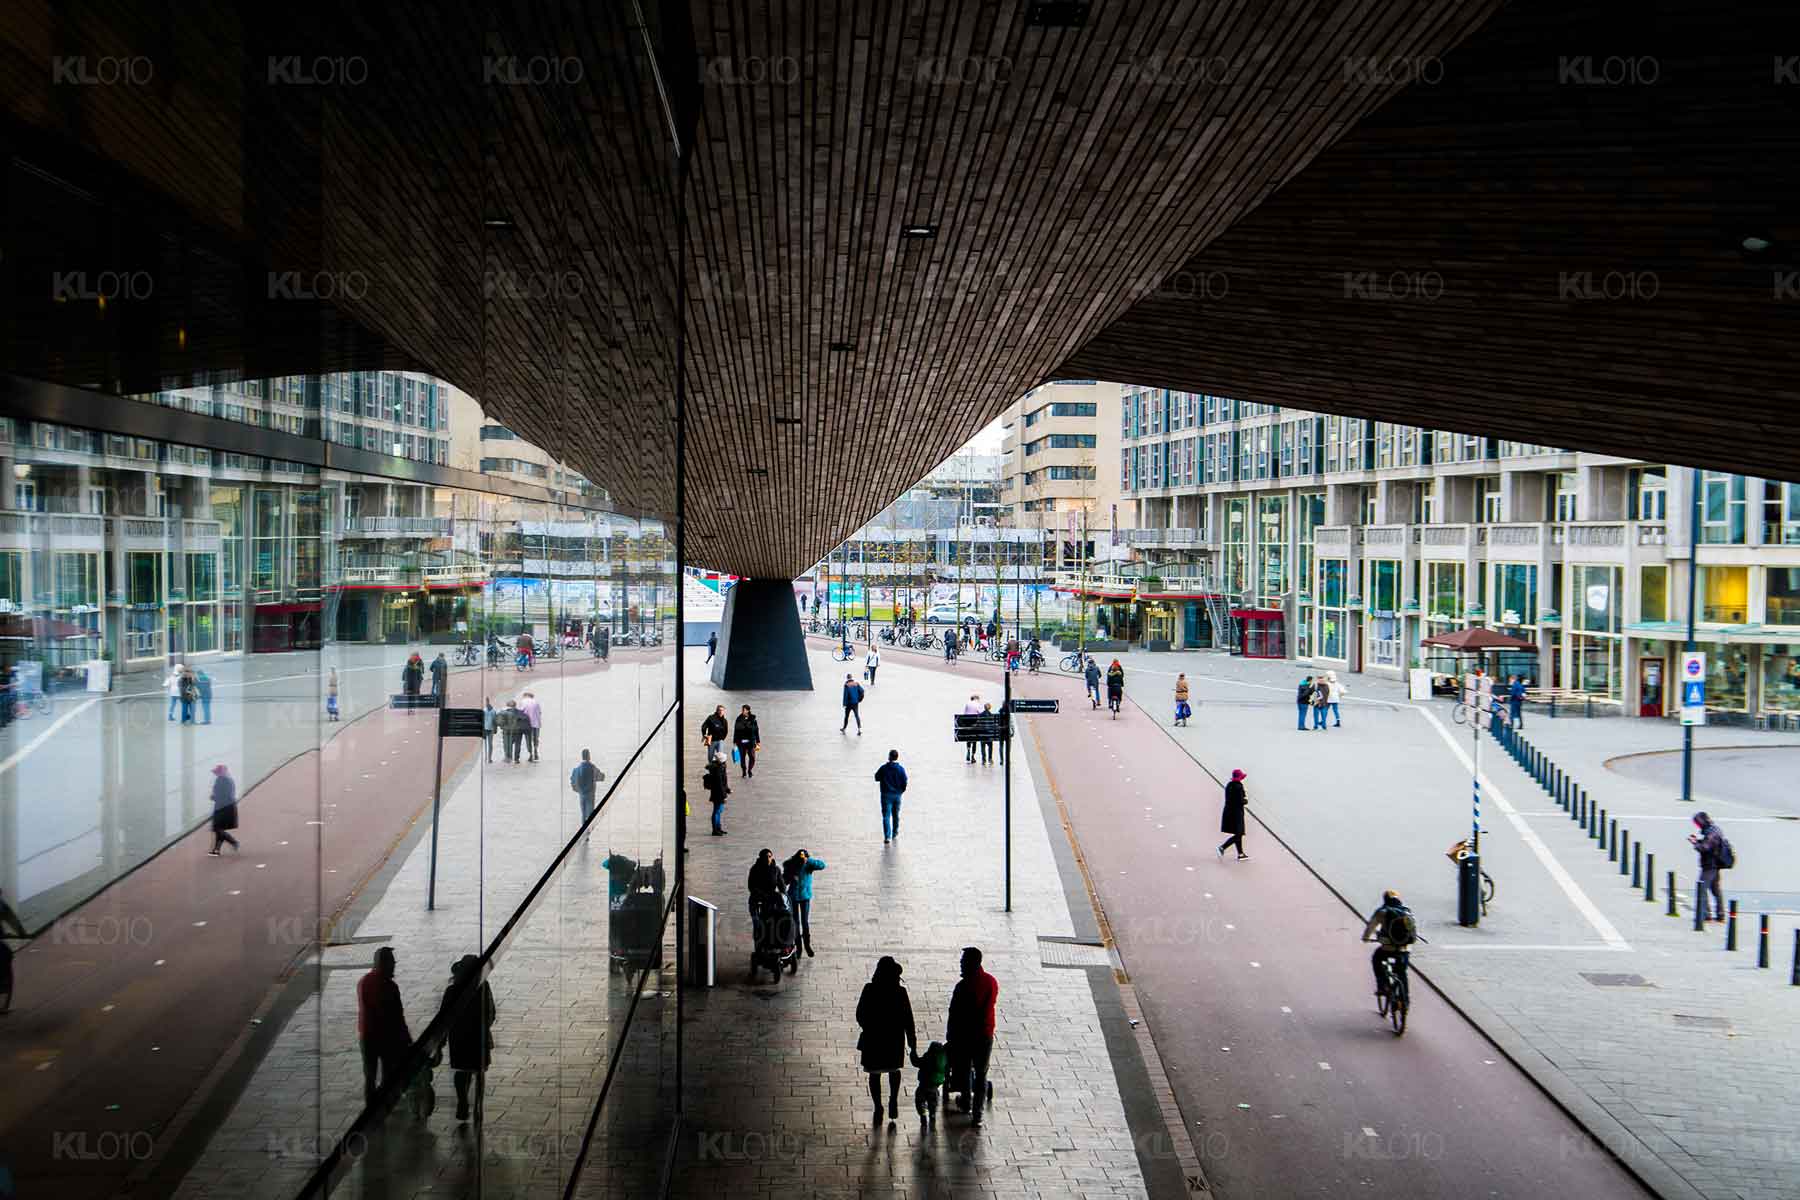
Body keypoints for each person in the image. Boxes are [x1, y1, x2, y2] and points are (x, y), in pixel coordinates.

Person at [855, 956, 918, 1126]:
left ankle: (878, 1107)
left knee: (874, 1074)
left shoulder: (869, 989)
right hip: (894, 1040)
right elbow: (908, 1020)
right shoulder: (900, 992)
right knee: (893, 1070)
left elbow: (860, 1014)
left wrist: (870, 1026)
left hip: (873, 1040)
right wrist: (912, 1044)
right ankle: (893, 1101)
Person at [944, 946, 999, 1127]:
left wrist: (951, 1037)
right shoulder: (991, 982)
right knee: (981, 1074)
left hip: (965, 1036)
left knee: (965, 1068)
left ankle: (966, 1102)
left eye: (963, 961)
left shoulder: (962, 987)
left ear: (970, 963)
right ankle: (978, 1114)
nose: (960, 964)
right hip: (985, 1034)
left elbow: (954, 1014)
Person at [439, 954, 495, 1123]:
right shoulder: (483, 987)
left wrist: (441, 1040)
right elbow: (491, 1012)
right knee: (479, 1072)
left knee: (462, 1071)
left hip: (459, 1038)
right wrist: (484, 1027)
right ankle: (478, 1104)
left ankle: (462, 1101)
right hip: (478, 1037)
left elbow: (444, 1018)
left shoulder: (451, 991)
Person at [356, 947, 412, 1108]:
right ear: (384, 964)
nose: (394, 966)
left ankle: (370, 1107)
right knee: (388, 1075)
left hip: (366, 1035)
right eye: (391, 962)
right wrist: (406, 1039)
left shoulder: (363, 981)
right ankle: (383, 1105)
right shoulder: (389, 986)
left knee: (370, 1076)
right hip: (385, 1038)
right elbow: (396, 1017)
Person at [1359, 889, 1417, 1001]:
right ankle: (1405, 1000)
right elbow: (1412, 930)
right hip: (1404, 949)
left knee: (1376, 958)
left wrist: (1366, 938)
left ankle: (1382, 986)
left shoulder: (1382, 911)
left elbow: (1371, 926)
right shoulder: (1407, 911)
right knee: (1402, 973)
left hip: (1387, 948)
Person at [783, 848, 827, 957]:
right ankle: (799, 947)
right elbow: (785, 881)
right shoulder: (791, 865)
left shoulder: (808, 865)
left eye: (804, 857)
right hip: (793, 897)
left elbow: (822, 865)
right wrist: (790, 877)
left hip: (805, 897)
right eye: (801, 858)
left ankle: (807, 945)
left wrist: (808, 860)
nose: (802, 860)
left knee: (805, 922)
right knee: (796, 922)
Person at [1689, 811, 1730, 922]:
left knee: (1702, 887)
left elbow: (1705, 848)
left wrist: (1695, 843)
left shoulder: (1712, 832)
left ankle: (1706, 914)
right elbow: (1708, 844)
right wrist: (1698, 841)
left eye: (1698, 823)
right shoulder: (1713, 829)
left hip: (1710, 865)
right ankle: (1720, 914)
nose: (1697, 826)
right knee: (1716, 890)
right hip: (1715, 864)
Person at [912, 1040, 949, 1125]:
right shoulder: (943, 1060)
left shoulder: (927, 1057)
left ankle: (923, 1114)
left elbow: (916, 1062)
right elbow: (946, 1070)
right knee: (933, 1102)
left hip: (923, 1085)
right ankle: (932, 1115)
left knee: (919, 1100)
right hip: (934, 1087)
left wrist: (913, 1053)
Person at [874, 749, 907, 844]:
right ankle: (895, 833)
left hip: (886, 795)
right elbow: (904, 782)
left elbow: (876, 777)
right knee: (896, 815)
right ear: (897, 757)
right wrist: (901, 791)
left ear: (889, 757)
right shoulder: (901, 769)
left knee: (886, 816)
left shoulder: (884, 768)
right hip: (897, 795)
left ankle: (887, 837)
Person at [1216, 768, 1249, 861]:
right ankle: (1222, 848)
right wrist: (1245, 801)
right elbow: (1241, 801)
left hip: (1228, 812)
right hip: (1237, 813)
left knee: (1238, 833)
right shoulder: (1238, 786)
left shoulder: (1229, 785)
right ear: (1239, 777)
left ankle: (1240, 854)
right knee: (1239, 833)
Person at [208, 764, 240, 855]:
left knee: (217, 828)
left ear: (222, 772)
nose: (215, 773)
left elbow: (223, 795)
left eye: (217, 772)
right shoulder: (227, 780)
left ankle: (234, 842)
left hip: (223, 808)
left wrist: (214, 797)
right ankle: (216, 850)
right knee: (219, 828)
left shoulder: (222, 780)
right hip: (227, 807)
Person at [570, 749, 604, 832]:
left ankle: (583, 830)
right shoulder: (592, 767)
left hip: (581, 794)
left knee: (583, 813)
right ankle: (587, 831)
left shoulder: (577, 769)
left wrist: (578, 790)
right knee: (590, 813)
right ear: (589, 756)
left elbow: (572, 780)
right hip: (590, 794)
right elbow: (601, 777)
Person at [703, 748, 731, 835]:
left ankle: (718, 827)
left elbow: (723, 783)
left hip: (717, 793)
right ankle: (715, 829)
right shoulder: (718, 770)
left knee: (718, 810)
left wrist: (727, 789)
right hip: (718, 794)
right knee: (717, 811)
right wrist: (724, 795)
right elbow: (720, 784)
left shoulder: (719, 767)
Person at [732, 704, 760, 778]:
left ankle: (750, 770)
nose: (742, 711)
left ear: (748, 710)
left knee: (752, 757)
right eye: (742, 710)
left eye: (743, 710)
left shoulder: (753, 719)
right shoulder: (738, 719)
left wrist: (758, 741)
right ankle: (744, 771)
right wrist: (734, 742)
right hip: (741, 742)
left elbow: (756, 730)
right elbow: (736, 730)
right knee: (742, 758)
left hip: (751, 742)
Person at [498, 699, 526, 764]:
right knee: (518, 745)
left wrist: (503, 726)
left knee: (507, 744)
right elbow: (524, 719)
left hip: (507, 731)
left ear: (507, 705)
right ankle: (516, 759)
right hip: (518, 731)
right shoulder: (520, 712)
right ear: (515, 705)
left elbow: (500, 722)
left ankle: (508, 757)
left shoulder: (503, 712)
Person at [519, 690, 543, 762]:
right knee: (535, 739)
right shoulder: (536, 702)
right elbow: (540, 712)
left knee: (528, 740)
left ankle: (530, 754)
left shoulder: (523, 702)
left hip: (527, 724)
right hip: (536, 724)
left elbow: (521, 712)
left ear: (525, 696)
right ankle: (535, 750)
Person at [961, 694, 984, 763]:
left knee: (969, 737)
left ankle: (968, 749)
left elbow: (964, 714)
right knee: (974, 739)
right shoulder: (978, 704)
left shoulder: (967, 704)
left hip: (968, 725)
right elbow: (981, 714)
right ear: (976, 699)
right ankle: (973, 756)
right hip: (975, 725)